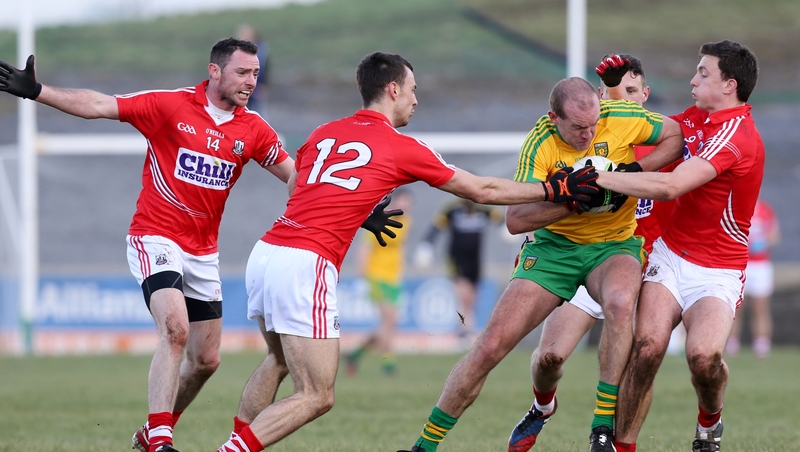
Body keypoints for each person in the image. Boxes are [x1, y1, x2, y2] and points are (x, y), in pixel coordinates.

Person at [0, 38, 396, 452]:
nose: (250, 82)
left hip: (203, 251)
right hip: (155, 234)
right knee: (175, 329)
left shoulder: (253, 128)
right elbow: (101, 105)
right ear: (214, 71)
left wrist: (353, 208)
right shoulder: (169, 106)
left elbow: (298, 178)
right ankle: (161, 442)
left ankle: (149, 432)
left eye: (256, 74)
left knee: (206, 361)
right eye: (242, 73)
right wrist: (38, 92)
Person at [214, 51, 599, 452]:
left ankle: (233, 440)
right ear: (393, 89)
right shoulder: (401, 146)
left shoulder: (323, 132)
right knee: (316, 394)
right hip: (306, 261)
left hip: (269, 251)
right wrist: (555, 190)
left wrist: (359, 213)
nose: (416, 100)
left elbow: (299, 190)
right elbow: (481, 190)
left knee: (277, 362)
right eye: (413, 90)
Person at [398, 73, 685, 452]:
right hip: (555, 250)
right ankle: (425, 446)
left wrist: (633, 174)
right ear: (555, 118)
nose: (588, 134)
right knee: (496, 348)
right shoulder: (540, 142)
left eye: (593, 124)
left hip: (614, 246)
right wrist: (567, 201)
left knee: (619, 303)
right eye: (578, 128)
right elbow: (516, 221)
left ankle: (601, 429)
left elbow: (675, 136)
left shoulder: (620, 115)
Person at [507, 53, 685, 452]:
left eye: (633, 92)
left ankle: (616, 443)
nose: (625, 100)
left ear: (646, 95)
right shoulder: (595, 142)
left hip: (638, 265)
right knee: (549, 357)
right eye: (614, 93)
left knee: (642, 362)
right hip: (586, 257)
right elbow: (538, 209)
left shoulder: (665, 149)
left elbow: (687, 149)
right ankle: (542, 406)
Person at [593, 40, 763, 452]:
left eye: (703, 73)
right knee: (647, 347)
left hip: (718, 269)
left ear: (729, 85)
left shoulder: (736, 137)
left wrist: (597, 177)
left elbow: (670, 186)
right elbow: (635, 126)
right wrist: (610, 93)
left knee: (703, 358)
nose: (693, 79)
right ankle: (623, 447)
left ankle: (710, 422)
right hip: (669, 257)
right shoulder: (692, 119)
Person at [415, 198, 505, 343]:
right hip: (456, 260)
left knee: (473, 298)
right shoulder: (452, 210)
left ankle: (467, 330)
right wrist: (426, 246)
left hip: (475, 261)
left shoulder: (482, 210)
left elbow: (500, 218)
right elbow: (435, 228)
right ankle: (464, 333)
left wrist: (506, 229)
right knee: (464, 296)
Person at [346, 188, 414, 376]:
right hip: (376, 275)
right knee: (389, 320)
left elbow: (397, 249)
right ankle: (389, 364)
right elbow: (365, 248)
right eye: (402, 200)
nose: (405, 205)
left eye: (408, 202)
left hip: (393, 278)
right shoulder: (380, 218)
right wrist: (362, 278)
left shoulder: (407, 222)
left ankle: (355, 354)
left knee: (388, 324)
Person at [725, 197, 779, 358]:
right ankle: (731, 343)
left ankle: (762, 344)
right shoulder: (735, 207)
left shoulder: (766, 209)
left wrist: (762, 243)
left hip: (760, 265)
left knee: (760, 307)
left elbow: (774, 236)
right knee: (735, 307)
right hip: (739, 264)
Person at [235, 24, 270, 116]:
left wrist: (264, 85)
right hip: (241, 86)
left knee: (256, 112)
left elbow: (265, 68)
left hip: (256, 86)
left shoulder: (261, 51)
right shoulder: (237, 50)